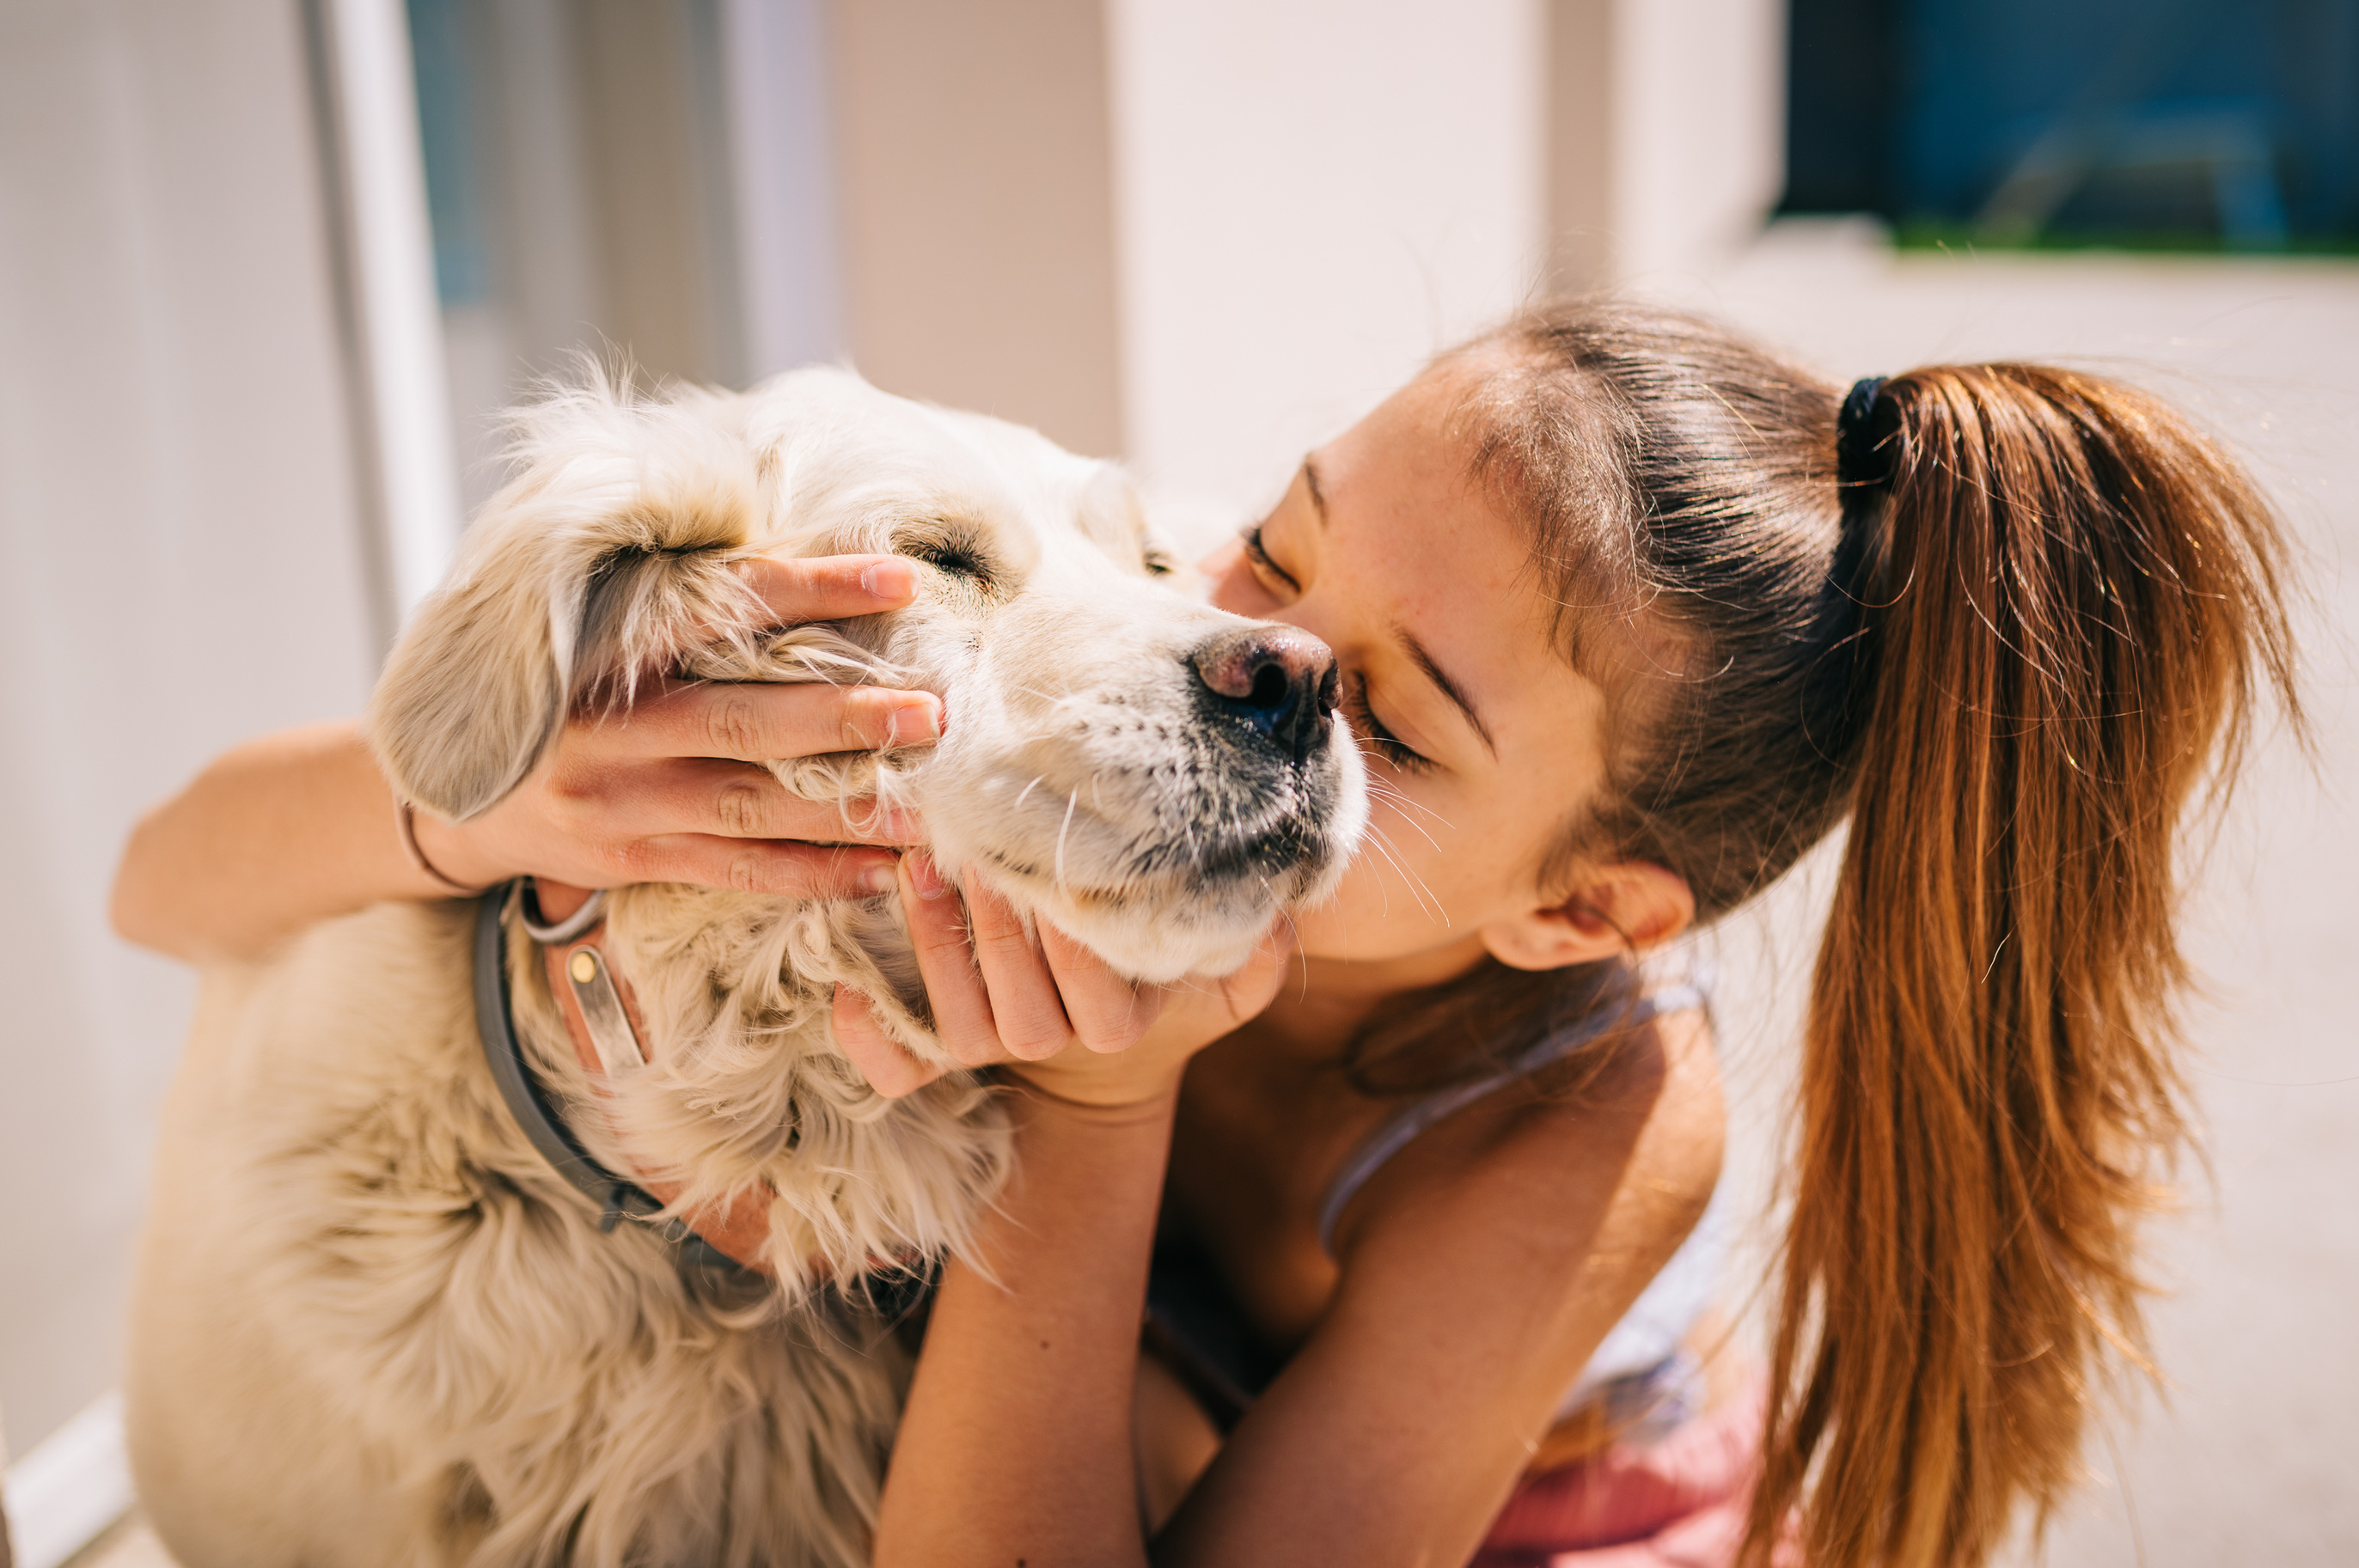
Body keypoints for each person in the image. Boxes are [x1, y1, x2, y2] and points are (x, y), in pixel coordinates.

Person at [113, 301, 2296, 1568]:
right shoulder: (1126, 672)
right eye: (1267, 536)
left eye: (1399, 723)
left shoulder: (1588, 1121)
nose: (1241, 657)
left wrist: (1097, 1091)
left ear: (1580, 907)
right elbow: (159, 884)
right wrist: (472, 801)